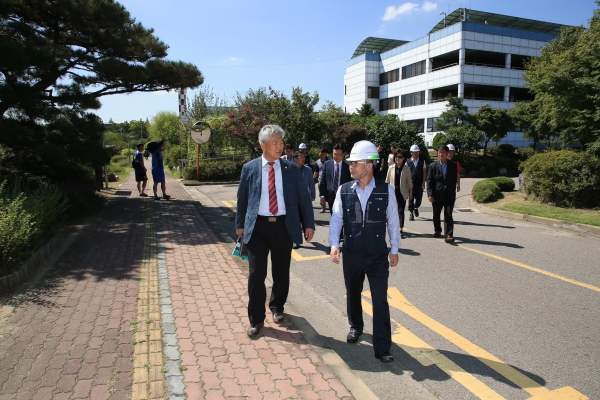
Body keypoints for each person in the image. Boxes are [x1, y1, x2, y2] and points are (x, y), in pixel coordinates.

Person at [236, 125, 315, 337]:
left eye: (281, 143)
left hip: (283, 227)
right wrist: (240, 225)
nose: (280, 146)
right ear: (263, 145)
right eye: (275, 143)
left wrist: (309, 223)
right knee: (256, 274)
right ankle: (256, 319)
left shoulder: (290, 169)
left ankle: (277, 307)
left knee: (281, 272)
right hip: (258, 227)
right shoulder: (250, 168)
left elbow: (303, 198)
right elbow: (242, 199)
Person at [328, 140, 400, 363]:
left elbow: (393, 222)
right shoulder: (344, 190)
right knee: (353, 292)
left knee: (380, 299)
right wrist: (334, 244)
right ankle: (355, 326)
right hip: (352, 252)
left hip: (378, 255)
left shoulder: (386, 190)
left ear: (369, 165)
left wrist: (394, 248)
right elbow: (336, 219)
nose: (350, 166)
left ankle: (382, 347)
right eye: (350, 163)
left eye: (355, 163)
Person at [427, 145, 458, 243]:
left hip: (449, 194)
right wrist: (430, 194)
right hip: (437, 193)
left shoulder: (453, 165)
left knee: (448, 214)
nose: (441, 154)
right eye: (439, 152)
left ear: (447, 153)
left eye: (443, 152)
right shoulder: (433, 166)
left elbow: (454, 179)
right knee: (436, 214)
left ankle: (449, 234)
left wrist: (453, 189)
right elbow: (429, 181)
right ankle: (437, 230)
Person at [385, 149, 413, 238]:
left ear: (404, 158)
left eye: (400, 157)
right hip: (392, 192)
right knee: (393, 211)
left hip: (402, 193)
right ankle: (393, 228)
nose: (397, 159)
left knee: (401, 211)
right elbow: (387, 181)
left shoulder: (407, 169)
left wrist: (411, 193)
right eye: (396, 157)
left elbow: (410, 183)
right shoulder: (391, 168)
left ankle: (400, 229)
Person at [292, 151, 316, 249]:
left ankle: (306, 232)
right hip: (293, 198)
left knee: (305, 217)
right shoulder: (290, 169)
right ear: (295, 159)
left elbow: (311, 183)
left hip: (305, 198)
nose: (303, 159)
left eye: (304, 157)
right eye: (300, 157)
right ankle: (296, 240)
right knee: (295, 219)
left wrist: (313, 195)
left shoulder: (308, 170)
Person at [319, 143, 351, 215]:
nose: (336, 156)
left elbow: (351, 181)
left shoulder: (348, 166)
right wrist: (322, 195)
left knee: (343, 216)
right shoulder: (327, 164)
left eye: (339, 154)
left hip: (343, 195)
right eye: (335, 154)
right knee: (333, 215)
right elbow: (323, 181)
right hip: (331, 196)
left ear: (343, 154)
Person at [407, 144, 427, 221]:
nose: (416, 153)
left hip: (419, 183)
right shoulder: (408, 161)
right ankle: (411, 213)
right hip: (410, 183)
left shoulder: (422, 161)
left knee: (419, 199)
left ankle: (416, 207)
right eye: (414, 152)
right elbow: (406, 173)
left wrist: (423, 182)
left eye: (417, 152)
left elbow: (424, 172)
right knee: (410, 198)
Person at [313, 148, 331, 213]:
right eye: (320, 153)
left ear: (326, 154)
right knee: (321, 194)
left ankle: (331, 206)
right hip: (321, 180)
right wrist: (313, 179)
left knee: (330, 194)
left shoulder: (330, 160)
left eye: (323, 153)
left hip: (329, 180)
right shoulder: (318, 161)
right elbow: (316, 171)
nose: (321, 154)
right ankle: (323, 207)